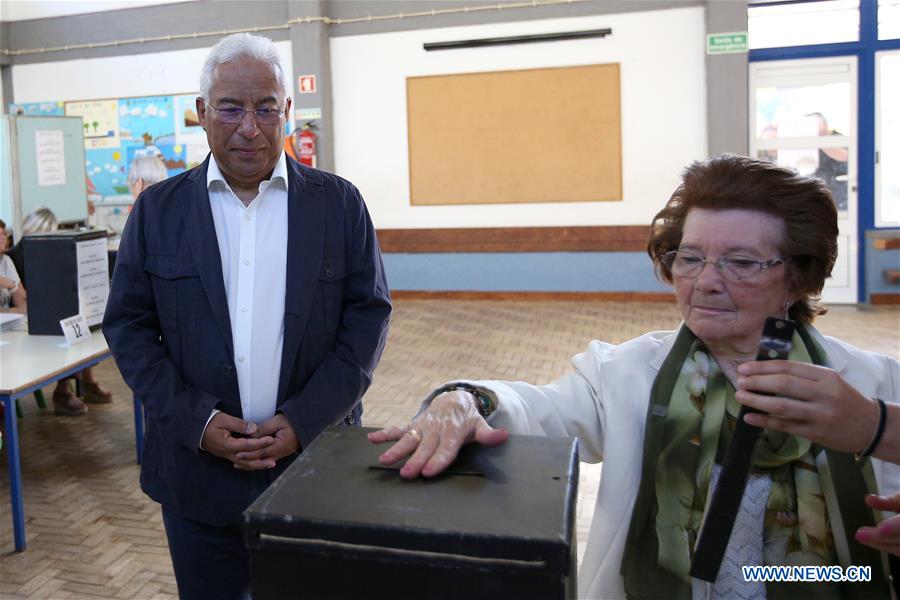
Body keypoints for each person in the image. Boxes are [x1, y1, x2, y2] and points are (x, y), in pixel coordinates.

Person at [370, 154, 899, 599]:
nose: (706, 283)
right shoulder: (626, 372)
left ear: (798, 275)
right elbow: (537, 410)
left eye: (739, 262)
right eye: (689, 258)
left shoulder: (875, 388)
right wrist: (464, 399)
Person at [103, 32, 391, 600]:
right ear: (201, 113)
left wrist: (304, 420)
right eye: (231, 107)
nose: (249, 127)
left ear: (287, 110)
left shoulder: (338, 206)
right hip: (197, 479)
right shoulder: (158, 212)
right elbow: (130, 330)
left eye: (265, 108)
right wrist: (198, 424)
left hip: (314, 471)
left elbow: (367, 322)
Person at [7, 208, 113, 415]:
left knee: (77, 326)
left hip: (39, 312)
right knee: (64, 331)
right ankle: (63, 391)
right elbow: (24, 296)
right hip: (25, 320)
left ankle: (85, 384)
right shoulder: (16, 256)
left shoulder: (47, 250)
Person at [0, 218, 26, 314]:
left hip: (8, 324)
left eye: (3, 234)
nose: (2, 237)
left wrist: (11, 284)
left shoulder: (6, 261)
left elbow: (23, 303)